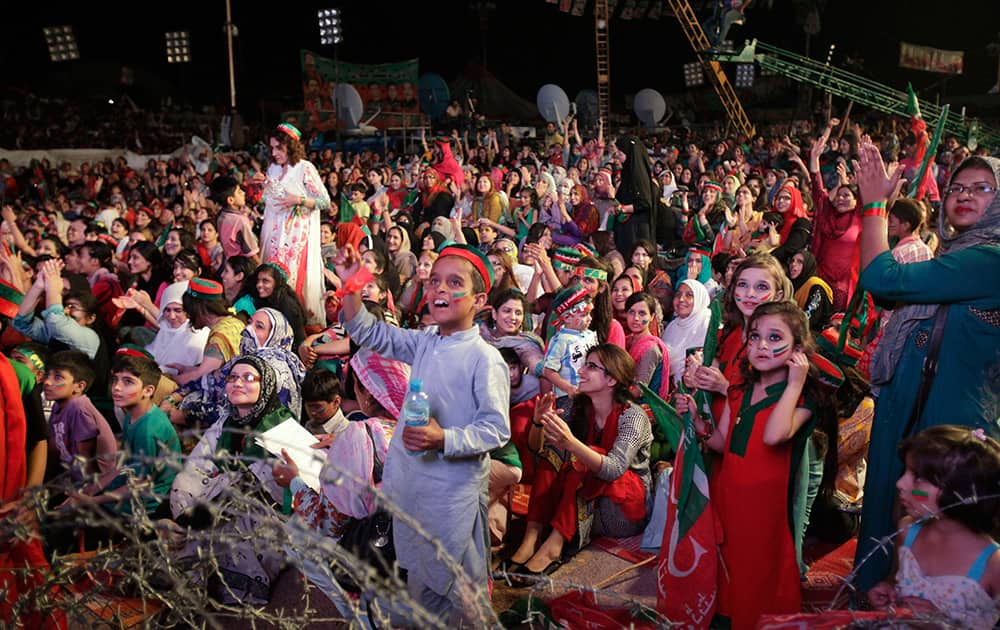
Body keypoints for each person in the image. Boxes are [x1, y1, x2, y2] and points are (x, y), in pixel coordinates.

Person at [336, 242, 509, 625]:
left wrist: (442, 439)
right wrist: (350, 287)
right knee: (417, 578)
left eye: (454, 282)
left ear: (479, 299)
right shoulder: (427, 341)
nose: (440, 290)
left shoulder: (485, 358)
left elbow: (496, 430)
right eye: (435, 282)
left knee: (451, 590)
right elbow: (370, 333)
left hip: (452, 496)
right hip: (414, 486)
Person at [852, 148, 1000, 592]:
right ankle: (880, 596)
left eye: (982, 188)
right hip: (908, 399)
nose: (965, 195)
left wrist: (875, 207)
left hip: (952, 414)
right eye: (956, 187)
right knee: (890, 502)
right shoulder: (951, 255)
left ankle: (927, 605)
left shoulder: (990, 259)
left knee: (941, 509)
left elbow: (882, 279)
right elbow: (888, 295)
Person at [691, 301, 819, 628]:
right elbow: (724, 442)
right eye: (755, 337)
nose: (762, 345)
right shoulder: (740, 391)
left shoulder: (802, 399)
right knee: (728, 570)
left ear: (798, 349)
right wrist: (697, 421)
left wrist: (794, 384)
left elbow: (775, 435)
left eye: (775, 338)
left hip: (764, 513)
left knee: (758, 576)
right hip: (730, 498)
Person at [505, 344, 652, 585]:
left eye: (591, 367)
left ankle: (555, 544)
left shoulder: (633, 417)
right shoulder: (577, 405)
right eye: (585, 364)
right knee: (555, 449)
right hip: (584, 498)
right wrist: (538, 422)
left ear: (612, 379)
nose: (581, 371)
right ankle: (532, 536)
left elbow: (613, 468)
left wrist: (572, 444)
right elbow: (535, 450)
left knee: (582, 456)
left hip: (621, 511)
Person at [170, 355, 298, 605]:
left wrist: (228, 487)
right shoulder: (225, 422)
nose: (238, 383)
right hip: (219, 502)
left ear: (266, 386)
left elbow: (280, 488)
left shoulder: (281, 427)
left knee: (238, 512)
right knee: (183, 485)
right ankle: (196, 578)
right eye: (233, 377)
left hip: (269, 515)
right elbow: (197, 465)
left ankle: (242, 589)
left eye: (249, 378)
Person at [867, 426, 999, 630]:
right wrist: (889, 589)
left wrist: (940, 625)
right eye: (906, 472)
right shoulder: (908, 530)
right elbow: (896, 578)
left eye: (918, 477)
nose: (900, 483)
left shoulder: (993, 564)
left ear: (960, 491)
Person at [253, 123, 331, 326]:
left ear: (291, 146)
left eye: (279, 148)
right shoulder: (273, 168)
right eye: (272, 148)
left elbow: (325, 202)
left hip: (296, 234)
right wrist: (265, 185)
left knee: (292, 278)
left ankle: (296, 323)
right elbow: (273, 199)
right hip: (275, 232)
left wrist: (299, 200)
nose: (274, 152)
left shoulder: (305, 168)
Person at [41, 350, 117, 493]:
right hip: (70, 477)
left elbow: (86, 463)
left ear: (79, 386)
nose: (47, 382)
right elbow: (53, 451)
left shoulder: (79, 408)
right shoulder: (58, 404)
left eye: (58, 377)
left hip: (95, 487)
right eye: (47, 374)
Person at [662, 278, 712, 385]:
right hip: (673, 390)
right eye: (678, 294)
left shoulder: (707, 324)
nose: (681, 299)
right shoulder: (672, 326)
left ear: (700, 299)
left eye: (689, 295)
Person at [613, 137, 656, 255]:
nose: (618, 157)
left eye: (620, 153)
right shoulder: (627, 172)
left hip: (637, 229)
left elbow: (645, 203)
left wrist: (624, 208)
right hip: (627, 227)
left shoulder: (638, 175)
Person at [624, 292, 670, 399]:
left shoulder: (650, 349)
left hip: (641, 412)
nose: (636, 318)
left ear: (652, 316)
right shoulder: (628, 341)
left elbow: (638, 391)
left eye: (642, 313)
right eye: (631, 312)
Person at [210, 175, 260, 262]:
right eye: (239, 192)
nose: (243, 193)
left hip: (228, 263)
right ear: (230, 200)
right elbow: (252, 254)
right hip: (241, 265)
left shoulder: (221, 215)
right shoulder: (240, 220)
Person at [788, 250, 833, 332]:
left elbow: (808, 319)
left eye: (800, 262)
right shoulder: (794, 284)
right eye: (792, 261)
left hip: (817, 335)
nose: (793, 264)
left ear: (808, 265)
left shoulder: (816, 286)